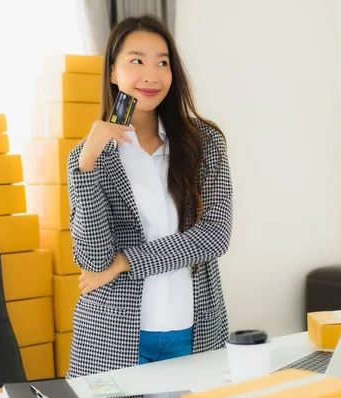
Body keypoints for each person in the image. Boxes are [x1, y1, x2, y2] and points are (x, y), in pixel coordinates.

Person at [65, 15, 233, 378]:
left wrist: (125, 262)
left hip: (194, 329)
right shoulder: (88, 158)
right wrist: (88, 164)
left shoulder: (205, 143)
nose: (151, 75)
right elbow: (93, 258)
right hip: (112, 338)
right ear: (112, 71)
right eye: (136, 60)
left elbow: (215, 236)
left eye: (162, 62)